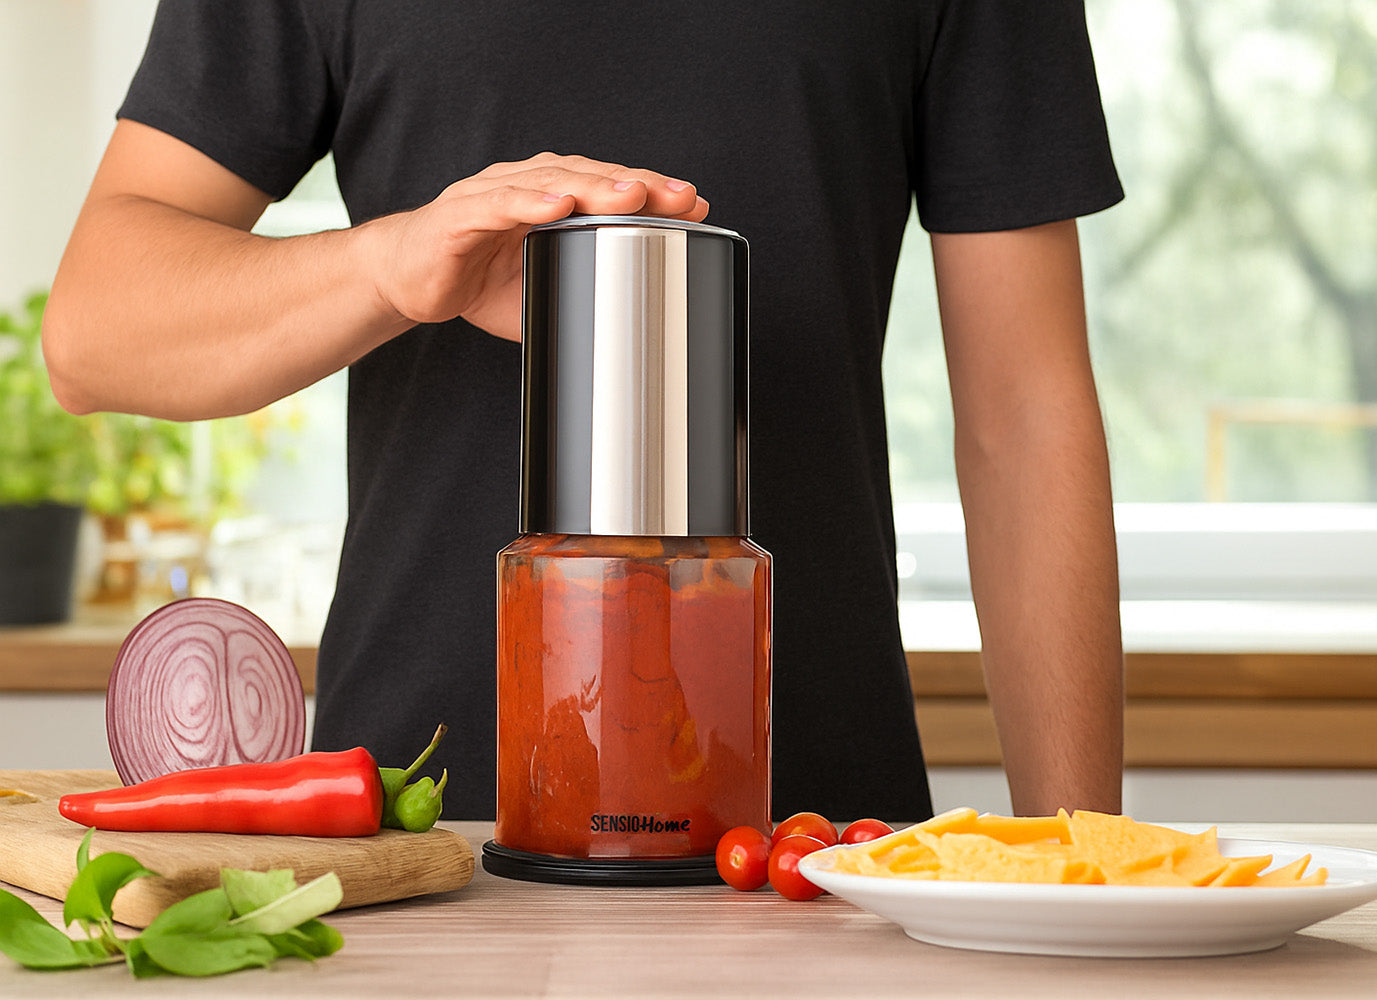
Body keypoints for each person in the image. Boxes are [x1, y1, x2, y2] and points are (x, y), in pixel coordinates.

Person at [43, 1, 1125, 823]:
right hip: (419, 829)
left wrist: (1088, 870)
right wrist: (390, 266)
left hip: (817, 844)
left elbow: (1025, 415)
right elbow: (93, 335)